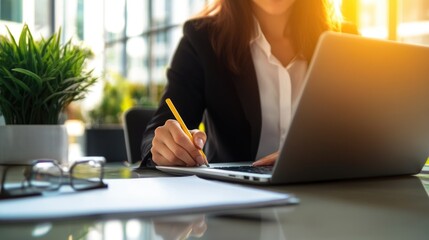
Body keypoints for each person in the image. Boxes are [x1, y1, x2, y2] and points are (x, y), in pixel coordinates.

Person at [141, 0, 355, 167]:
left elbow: (367, 133)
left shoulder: (346, 40)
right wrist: (163, 146)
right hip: (233, 208)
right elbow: (157, 132)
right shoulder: (203, 39)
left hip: (326, 198)